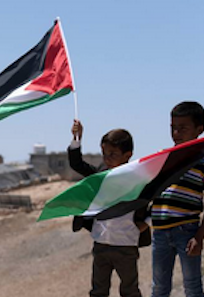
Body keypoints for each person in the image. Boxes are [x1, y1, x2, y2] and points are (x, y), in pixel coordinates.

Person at [150, 102, 204, 297]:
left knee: (192, 287)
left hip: (187, 232)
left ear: (199, 130)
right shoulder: (162, 158)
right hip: (159, 232)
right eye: (173, 127)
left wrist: (199, 237)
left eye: (182, 128)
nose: (176, 133)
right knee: (159, 287)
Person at [69, 120, 150, 297]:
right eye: (104, 153)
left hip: (126, 244)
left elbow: (154, 201)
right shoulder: (100, 176)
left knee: (130, 291)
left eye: (113, 154)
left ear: (127, 155)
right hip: (101, 242)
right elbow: (77, 164)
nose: (107, 158)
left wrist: (143, 225)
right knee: (98, 291)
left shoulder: (137, 180)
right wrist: (76, 138)